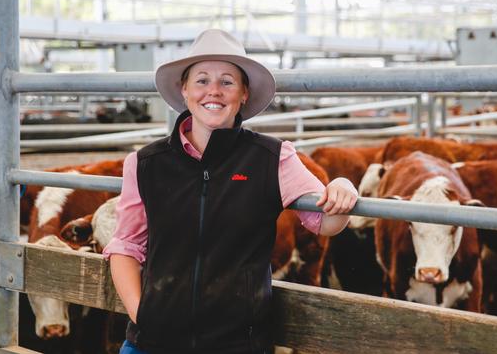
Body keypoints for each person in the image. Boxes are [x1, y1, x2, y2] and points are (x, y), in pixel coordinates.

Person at [103, 29, 358, 354]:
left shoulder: (272, 158)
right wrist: (143, 316)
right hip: (152, 343)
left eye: (227, 81)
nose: (214, 91)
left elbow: (325, 223)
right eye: (201, 81)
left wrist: (342, 188)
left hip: (238, 344)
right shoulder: (145, 163)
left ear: (244, 93)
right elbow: (125, 246)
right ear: (184, 90)